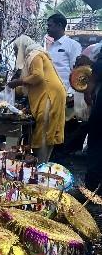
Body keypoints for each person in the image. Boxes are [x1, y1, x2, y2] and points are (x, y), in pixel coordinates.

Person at [8, 35, 66, 164]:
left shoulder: (35, 55)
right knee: (45, 127)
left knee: (45, 128)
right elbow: (29, 85)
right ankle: (40, 163)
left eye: (16, 50)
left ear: (22, 48)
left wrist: (18, 82)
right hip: (50, 93)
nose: (16, 53)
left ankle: (41, 165)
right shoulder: (35, 55)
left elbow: (38, 76)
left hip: (50, 95)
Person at [46, 14, 82, 93]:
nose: (47, 29)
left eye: (50, 25)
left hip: (64, 92)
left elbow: (76, 70)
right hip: (49, 91)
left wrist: (70, 92)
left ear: (59, 25)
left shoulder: (73, 45)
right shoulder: (51, 46)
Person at [84, 47, 102, 193]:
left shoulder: (99, 63)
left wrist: (88, 96)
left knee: (96, 145)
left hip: (100, 112)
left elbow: (89, 90)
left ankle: (92, 187)